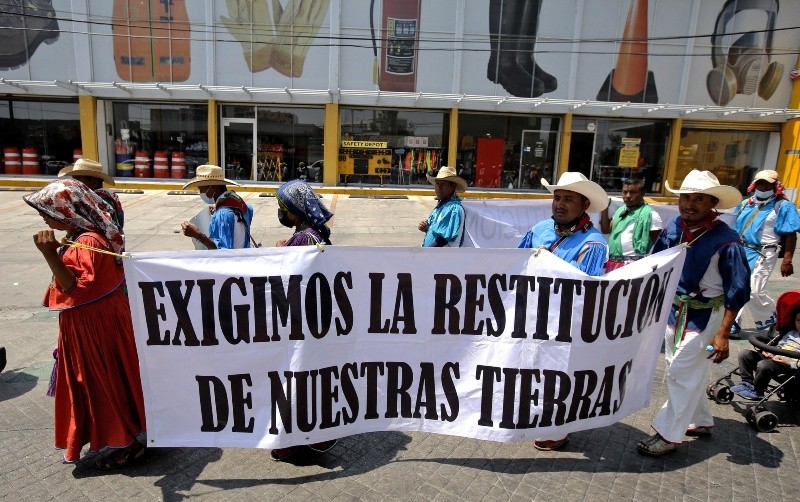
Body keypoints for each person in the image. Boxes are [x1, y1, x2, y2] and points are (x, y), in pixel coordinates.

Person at [23, 179, 146, 469]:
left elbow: (75, 288)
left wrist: (49, 254)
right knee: (110, 379)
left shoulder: (88, 241)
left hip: (95, 324)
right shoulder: (81, 236)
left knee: (103, 383)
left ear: (68, 210)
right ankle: (125, 437)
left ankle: (127, 442)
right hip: (96, 319)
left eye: (47, 209)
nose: (42, 216)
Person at [638, 170, 750, 456]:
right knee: (684, 369)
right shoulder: (675, 227)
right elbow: (657, 263)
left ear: (712, 203)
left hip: (706, 315)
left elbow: (738, 289)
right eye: (686, 197)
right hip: (675, 312)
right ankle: (700, 419)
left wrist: (723, 333)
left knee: (679, 372)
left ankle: (667, 434)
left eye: (699, 199)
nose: (689, 204)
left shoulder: (727, 241)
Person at [518, 171, 610, 450]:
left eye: (568, 199)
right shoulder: (539, 229)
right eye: (557, 197)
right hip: (533, 313)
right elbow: (516, 263)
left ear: (584, 205)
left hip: (564, 320)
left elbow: (585, 290)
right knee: (535, 368)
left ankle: (557, 429)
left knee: (559, 372)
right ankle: (539, 415)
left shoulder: (593, 243)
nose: (559, 204)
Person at [270, 179, 336, 461]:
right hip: (317, 320)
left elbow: (291, 275)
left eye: (283, 207)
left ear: (295, 211)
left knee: (296, 380)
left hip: (302, 322)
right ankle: (315, 435)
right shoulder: (315, 233)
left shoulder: (303, 239)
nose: (281, 212)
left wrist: (280, 251)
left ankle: (294, 439)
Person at [730, 169, 800, 334]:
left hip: (766, 252)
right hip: (742, 249)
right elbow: (732, 227)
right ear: (754, 185)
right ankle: (734, 323)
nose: (763, 187)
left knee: (754, 290)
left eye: (767, 184)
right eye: (760, 183)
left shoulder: (783, 206)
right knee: (738, 287)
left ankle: (773, 320)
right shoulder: (745, 204)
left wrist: (787, 260)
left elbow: (791, 234)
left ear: (775, 186)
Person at [731, 307, 800, 400]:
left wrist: (789, 363)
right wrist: (770, 351)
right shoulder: (791, 333)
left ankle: (758, 390)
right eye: (798, 320)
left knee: (764, 365)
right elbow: (780, 346)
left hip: (792, 367)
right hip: (776, 359)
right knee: (745, 354)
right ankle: (747, 382)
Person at [180, 165, 254, 250]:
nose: (201, 192)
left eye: (201, 189)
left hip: (233, 258)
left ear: (213, 187)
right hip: (244, 255)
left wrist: (198, 235)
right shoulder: (241, 204)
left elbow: (221, 252)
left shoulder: (222, 214)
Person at [599, 177, 663, 272]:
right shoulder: (620, 210)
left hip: (633, 266)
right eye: (625, 192)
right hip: (612, 264)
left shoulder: (651, 215)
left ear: (642, 194)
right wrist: (605, 207)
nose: (628, 196)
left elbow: (650, 244)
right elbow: (606, 229)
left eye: (633, 192)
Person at [58, 158, 124, 229]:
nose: (74, 183)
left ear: (94, 180)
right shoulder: (106, 195)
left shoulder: (99, 201)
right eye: (73, 179)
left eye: (77, 179)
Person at [418, 166, 467, 247]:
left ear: (453, 187)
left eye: (443, 184)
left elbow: (442, 239)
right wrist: (426, 228)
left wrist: (426, 252)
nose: (439, 188)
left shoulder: (453, 208)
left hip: (440, 254)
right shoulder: (441, 206)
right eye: (437, 184)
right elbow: (437, 231)